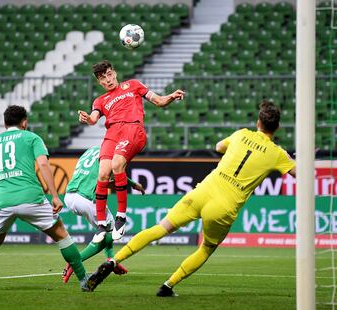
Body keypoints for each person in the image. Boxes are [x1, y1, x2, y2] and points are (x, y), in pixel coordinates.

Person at [85, 100, 296, 296]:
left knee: (160, 228)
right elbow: (300, 174)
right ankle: (168, 286)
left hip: (202, 192)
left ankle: (113, 261)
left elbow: (218, 147)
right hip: (224, 207)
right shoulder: (277, 154)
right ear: (276, 128)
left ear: (258, 122)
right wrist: (287, 158)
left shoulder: (241, 134)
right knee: (206, 248)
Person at [0, 105, 89, 293]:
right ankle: (84, 280)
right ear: (25, 122)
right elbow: (43, 164)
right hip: (30, 196)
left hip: (1, 200)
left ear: (5, 123)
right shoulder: (31, 138)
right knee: (61, 234)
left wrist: (1, 197)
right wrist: (55, 196)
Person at [78, 60, 185, 242]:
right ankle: (102, 225)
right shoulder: (100, 100)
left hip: (132, 128)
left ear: (115, 73)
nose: (108, 80)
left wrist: (172, 96)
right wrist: (87, 118)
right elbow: (94, 119)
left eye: (109, 74)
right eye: (103, 78)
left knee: (117, 164)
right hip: (112, 133)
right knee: (103, 173)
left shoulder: (133, 85)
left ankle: (121, 217)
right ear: (99, 82)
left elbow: (158, 101)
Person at [61, 145, 145, 283]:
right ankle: (75, 262)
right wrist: (133, 184)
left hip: (70, 196)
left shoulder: (90, 150)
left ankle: (110, 260)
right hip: (87, 198)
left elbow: (103, 179)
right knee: (113, 231)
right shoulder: (111, 152)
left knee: (105, 230)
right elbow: (116, 175)